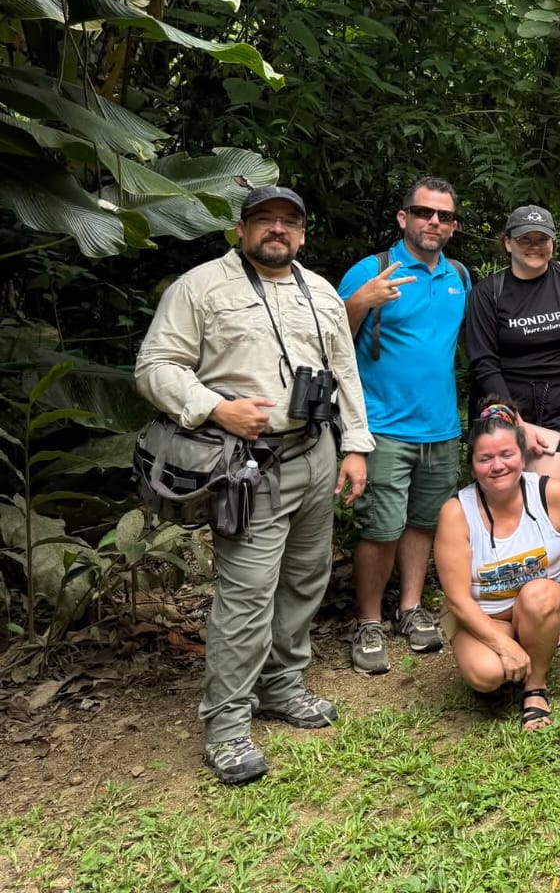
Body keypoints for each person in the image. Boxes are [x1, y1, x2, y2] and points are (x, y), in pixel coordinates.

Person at [135, 185, 374, 785]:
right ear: (240, 230)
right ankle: (226, 725)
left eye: (289, 221)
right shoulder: (201, 287)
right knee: (247, 595)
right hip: (247, 463)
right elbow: (155, 366)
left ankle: (280, 685)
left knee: (305, 578)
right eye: (263, 219)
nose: (277, 229)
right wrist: (216, 407)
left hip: (316, 452)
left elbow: (344, 369)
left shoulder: (320, 291)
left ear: (302, 234)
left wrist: (355, 446)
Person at [338, 176, 471, 676]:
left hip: (441, 427)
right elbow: (329, 340)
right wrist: (361, 301)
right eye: (423, 212)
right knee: (381, 528)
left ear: (453, 225)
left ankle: (410, 608)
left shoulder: (458, 276)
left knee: (423, 524)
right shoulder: (371, 270)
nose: (433, 222)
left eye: (444, 216)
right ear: (403, 218)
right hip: (383, 426)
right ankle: (369, 621)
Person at [435, 407, 560, 731]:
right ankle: (526, 647)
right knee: (486, 675)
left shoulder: (550, 493)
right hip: (482, 614)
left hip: (543, 603)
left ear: (522, 455)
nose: (497, 466)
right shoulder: (456, 513)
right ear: (472, 465)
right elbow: (457, 600)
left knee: (538, 595)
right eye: (485, 458)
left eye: (506, 454)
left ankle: (535, 687)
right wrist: (503, 645)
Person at [464, 205, 560, 484]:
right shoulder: (488, 293)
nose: (534, 247)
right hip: (504, 399)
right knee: (502, 494)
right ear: (508, 242)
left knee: (543, 495)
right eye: (525, 239)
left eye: (542, 239)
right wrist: (516, 422)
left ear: (553, 243)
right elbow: (483, 363)